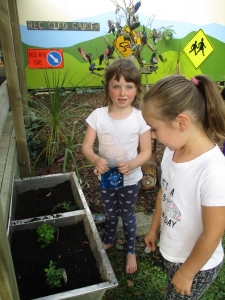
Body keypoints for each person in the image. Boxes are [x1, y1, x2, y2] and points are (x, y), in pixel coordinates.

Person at [141, 74, 225, 299]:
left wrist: (187, 273)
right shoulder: (171, 152)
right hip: (173, 253)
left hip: (197, 265)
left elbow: (213, 233)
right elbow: (165, 192)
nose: (152, 135)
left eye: (154, 129)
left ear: (181, 122)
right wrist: (154, 227)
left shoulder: (213, 170)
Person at [82, 58, 151, 274]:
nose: (123, 92)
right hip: (107, 178)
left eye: (129, 86)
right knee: (111, 214)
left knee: (128, 214)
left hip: (131, 179)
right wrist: (95, 159)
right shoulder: (98, 116)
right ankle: (109, 238)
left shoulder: (141, 119)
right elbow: (86, 148)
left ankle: (130, 250)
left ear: (136, 89)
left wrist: (131, 164)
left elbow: (147, 152)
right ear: (108, 89)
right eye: (116, 86)